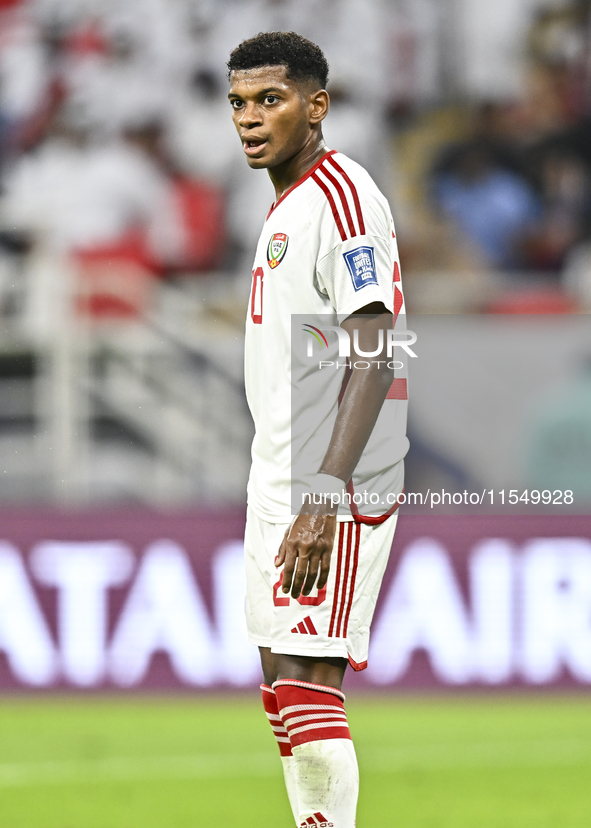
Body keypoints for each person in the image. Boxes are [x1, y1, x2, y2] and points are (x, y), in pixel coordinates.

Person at [227, 31, 409, 828]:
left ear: (317, 105)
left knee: (306, 676)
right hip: (278, 471)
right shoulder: (288, 203)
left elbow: (374, 351)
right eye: (237, 102)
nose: (249, 118)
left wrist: (325, 493)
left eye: (270, 99)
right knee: (281, 682)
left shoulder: (344, 199)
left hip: (330, 478)